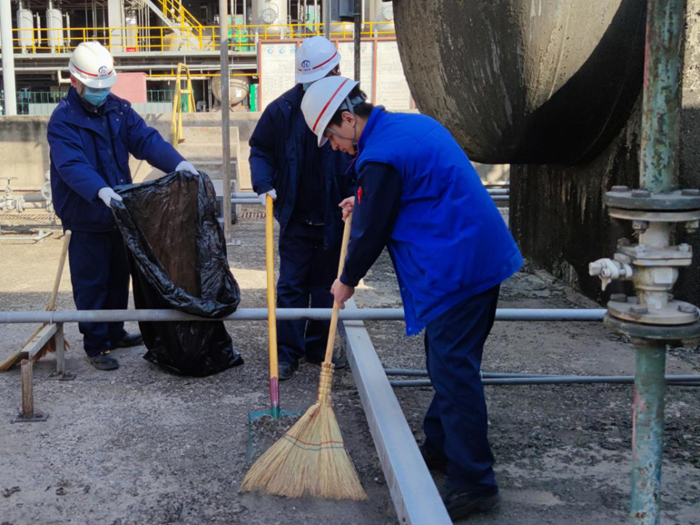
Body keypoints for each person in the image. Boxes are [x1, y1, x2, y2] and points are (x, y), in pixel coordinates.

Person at [301, 77, 523, 520]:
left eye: (331, 136)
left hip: (460, 269)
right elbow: (400, 192)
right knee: (448, 363)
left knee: (453, 371)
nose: (332, 146)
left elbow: (371, 232)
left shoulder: (380, 156)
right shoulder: (405, 129)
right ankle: (440, 448)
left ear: (348, 119)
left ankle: (475, 482)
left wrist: (346, 279)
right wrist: (362, 200)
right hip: (476, 257)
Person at [48, 42, 198, 371]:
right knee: (92, 282)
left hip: (119, 212)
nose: (101, 93)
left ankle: (114, 331)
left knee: (118, 277)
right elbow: (72, 165)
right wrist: (99, 190)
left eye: (105, 87)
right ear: (75, 82)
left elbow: (145, 140)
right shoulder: (63, 122)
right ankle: (96, 343)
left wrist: (177, 163)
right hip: (86, 215)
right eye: (94, 88)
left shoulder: (117, 109)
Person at [249, 36, 353, 380]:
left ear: (337, 72)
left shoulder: (353, 110)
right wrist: (265, 183)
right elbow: (260, 149)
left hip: (335, 214)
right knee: (291, 286)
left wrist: (359, 195)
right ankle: (286, 352)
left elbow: (365, 156)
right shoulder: (283, 110)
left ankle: (318, 347)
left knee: (327, 285)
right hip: (295, 214)